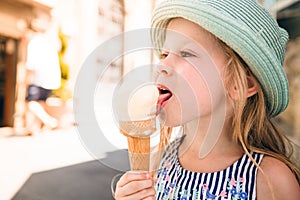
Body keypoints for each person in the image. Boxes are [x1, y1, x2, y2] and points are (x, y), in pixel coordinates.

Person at [114, 0, 300, 199]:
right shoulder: (158, 161)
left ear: (241, 85)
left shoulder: (270, 180)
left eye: (186, 53)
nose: (162, 64)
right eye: (164, 53)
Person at [25, 32, 61, 133]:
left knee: (30, 103)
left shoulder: (34, 44)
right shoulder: (49, 47)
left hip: (38, 80)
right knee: (40, 103)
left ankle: (49, 120)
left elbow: (31, 65)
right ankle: (34, 129)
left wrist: (27, 80)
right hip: (51, 81)